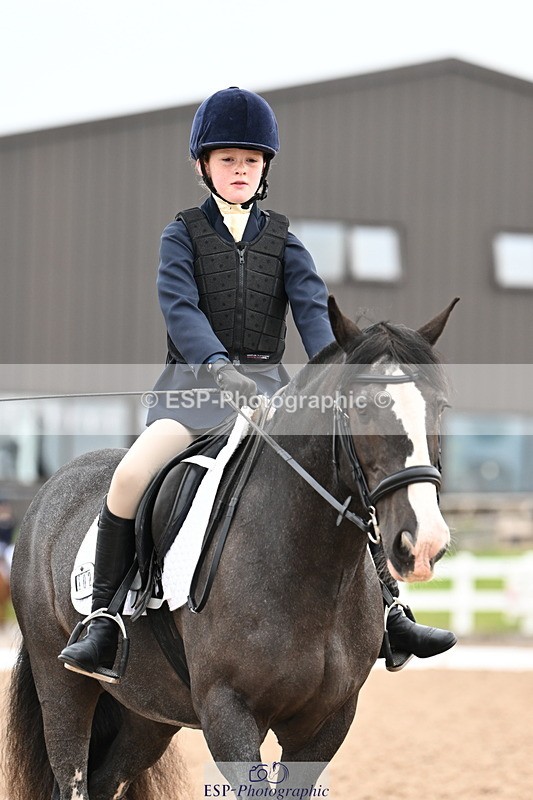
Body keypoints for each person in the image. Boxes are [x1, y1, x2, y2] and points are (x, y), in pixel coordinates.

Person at [58, 87, 456, 682]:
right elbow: (180, 309)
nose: (239, 169)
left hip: (272, 399)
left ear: (264, 167)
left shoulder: (284, 240)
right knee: (132, 475)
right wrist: (222, 369)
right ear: (204, 166)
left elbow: (314, 314)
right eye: (227, 160)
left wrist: (331, 369)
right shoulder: (183, 235)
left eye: (250, 160)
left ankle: (392, 609)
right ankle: (106, 619)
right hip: (192, 395)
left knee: (346, 476)